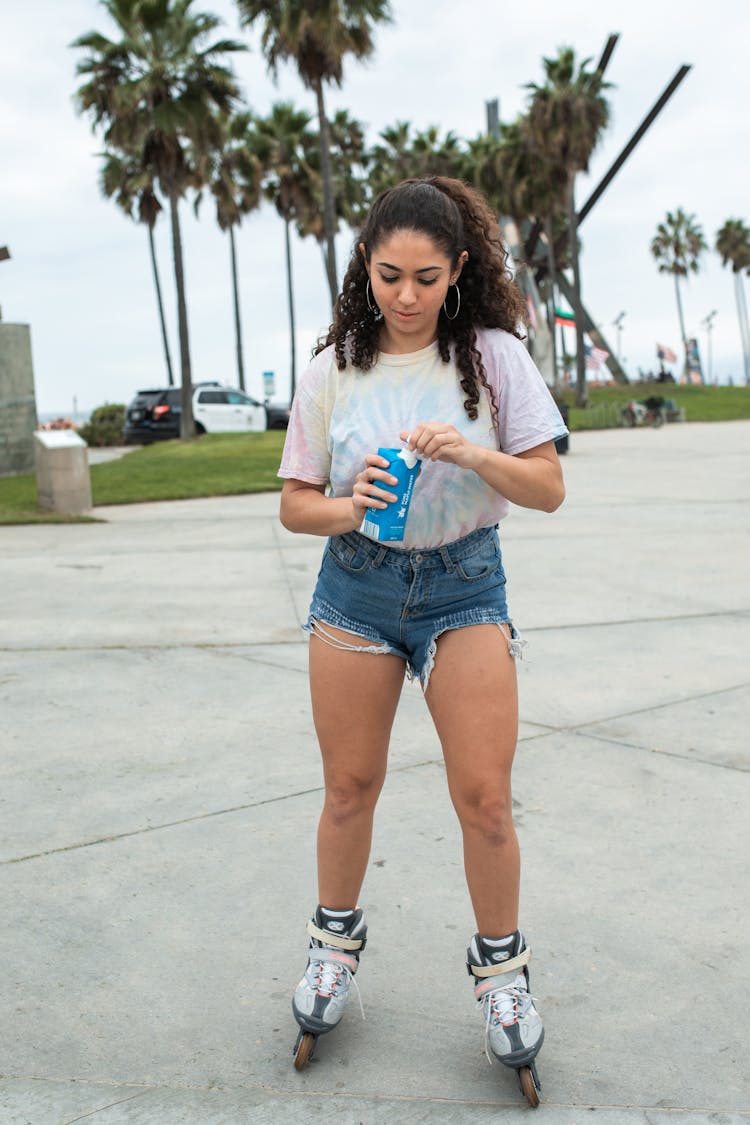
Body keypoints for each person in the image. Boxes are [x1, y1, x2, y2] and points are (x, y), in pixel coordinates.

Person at [277, 176, 567, 1084]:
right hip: (355, 591)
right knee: (349, 786)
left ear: (460, 271)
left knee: (485, 797)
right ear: (365, 264)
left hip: (464, 585)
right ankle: (333, 948)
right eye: (390, 274)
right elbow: (294, 505)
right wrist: (347, 505)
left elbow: (548, 486)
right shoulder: (333, 368)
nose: (406, 296)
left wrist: (475, 453)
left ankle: (503, 974)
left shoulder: (494, 358)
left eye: (428, 277)